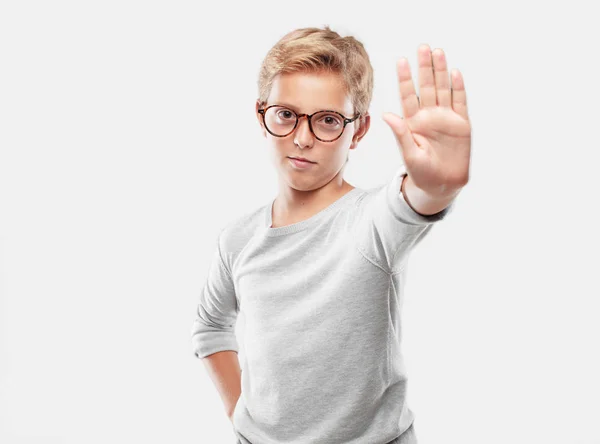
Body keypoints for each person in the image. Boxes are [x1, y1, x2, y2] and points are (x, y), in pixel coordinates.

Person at [191, 25, 471, 444]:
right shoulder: (237, 239)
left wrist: (438, 185)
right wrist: (242, 418)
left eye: (327, 121)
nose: (302, 139)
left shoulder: (371, 223)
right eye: (286, 114)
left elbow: (412, 202)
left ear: (357, 130)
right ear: (261, 115)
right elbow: (211, 326)